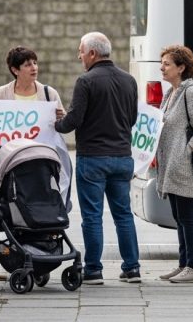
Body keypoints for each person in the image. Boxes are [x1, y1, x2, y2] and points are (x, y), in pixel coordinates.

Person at [54, 32, 140, 285]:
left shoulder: (86, 81)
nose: (79, 56)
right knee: (123, 214)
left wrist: (56, 122)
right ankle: (132, 268)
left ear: (92, 53)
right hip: (123, 157)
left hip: (93, 158)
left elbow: (73, 121)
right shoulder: (129, 81)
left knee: (92, 216)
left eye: (81, 51)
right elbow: (132, 118)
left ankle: (93, 270)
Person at [0, 45, 66, 281]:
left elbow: (58, 126)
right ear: (15, 70)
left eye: (35, 63)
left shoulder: (48, 93)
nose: (34, 68)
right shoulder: (2, 94)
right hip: (13, 162)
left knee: (40, 207)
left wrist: (60, 118)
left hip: (40, 161)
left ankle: (39, 256)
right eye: (27, 65)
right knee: (12, 209)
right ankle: (16, 257)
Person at [154, 45, 193, 284]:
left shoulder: (192, 92)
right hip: (172, 166)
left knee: (188, 216)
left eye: (167, 64)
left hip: (185, 166)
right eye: (163, 63)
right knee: (179, 216)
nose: (162, 67)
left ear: (181, 67)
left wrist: (186, 152)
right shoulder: (171, 93)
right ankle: (183, 264)